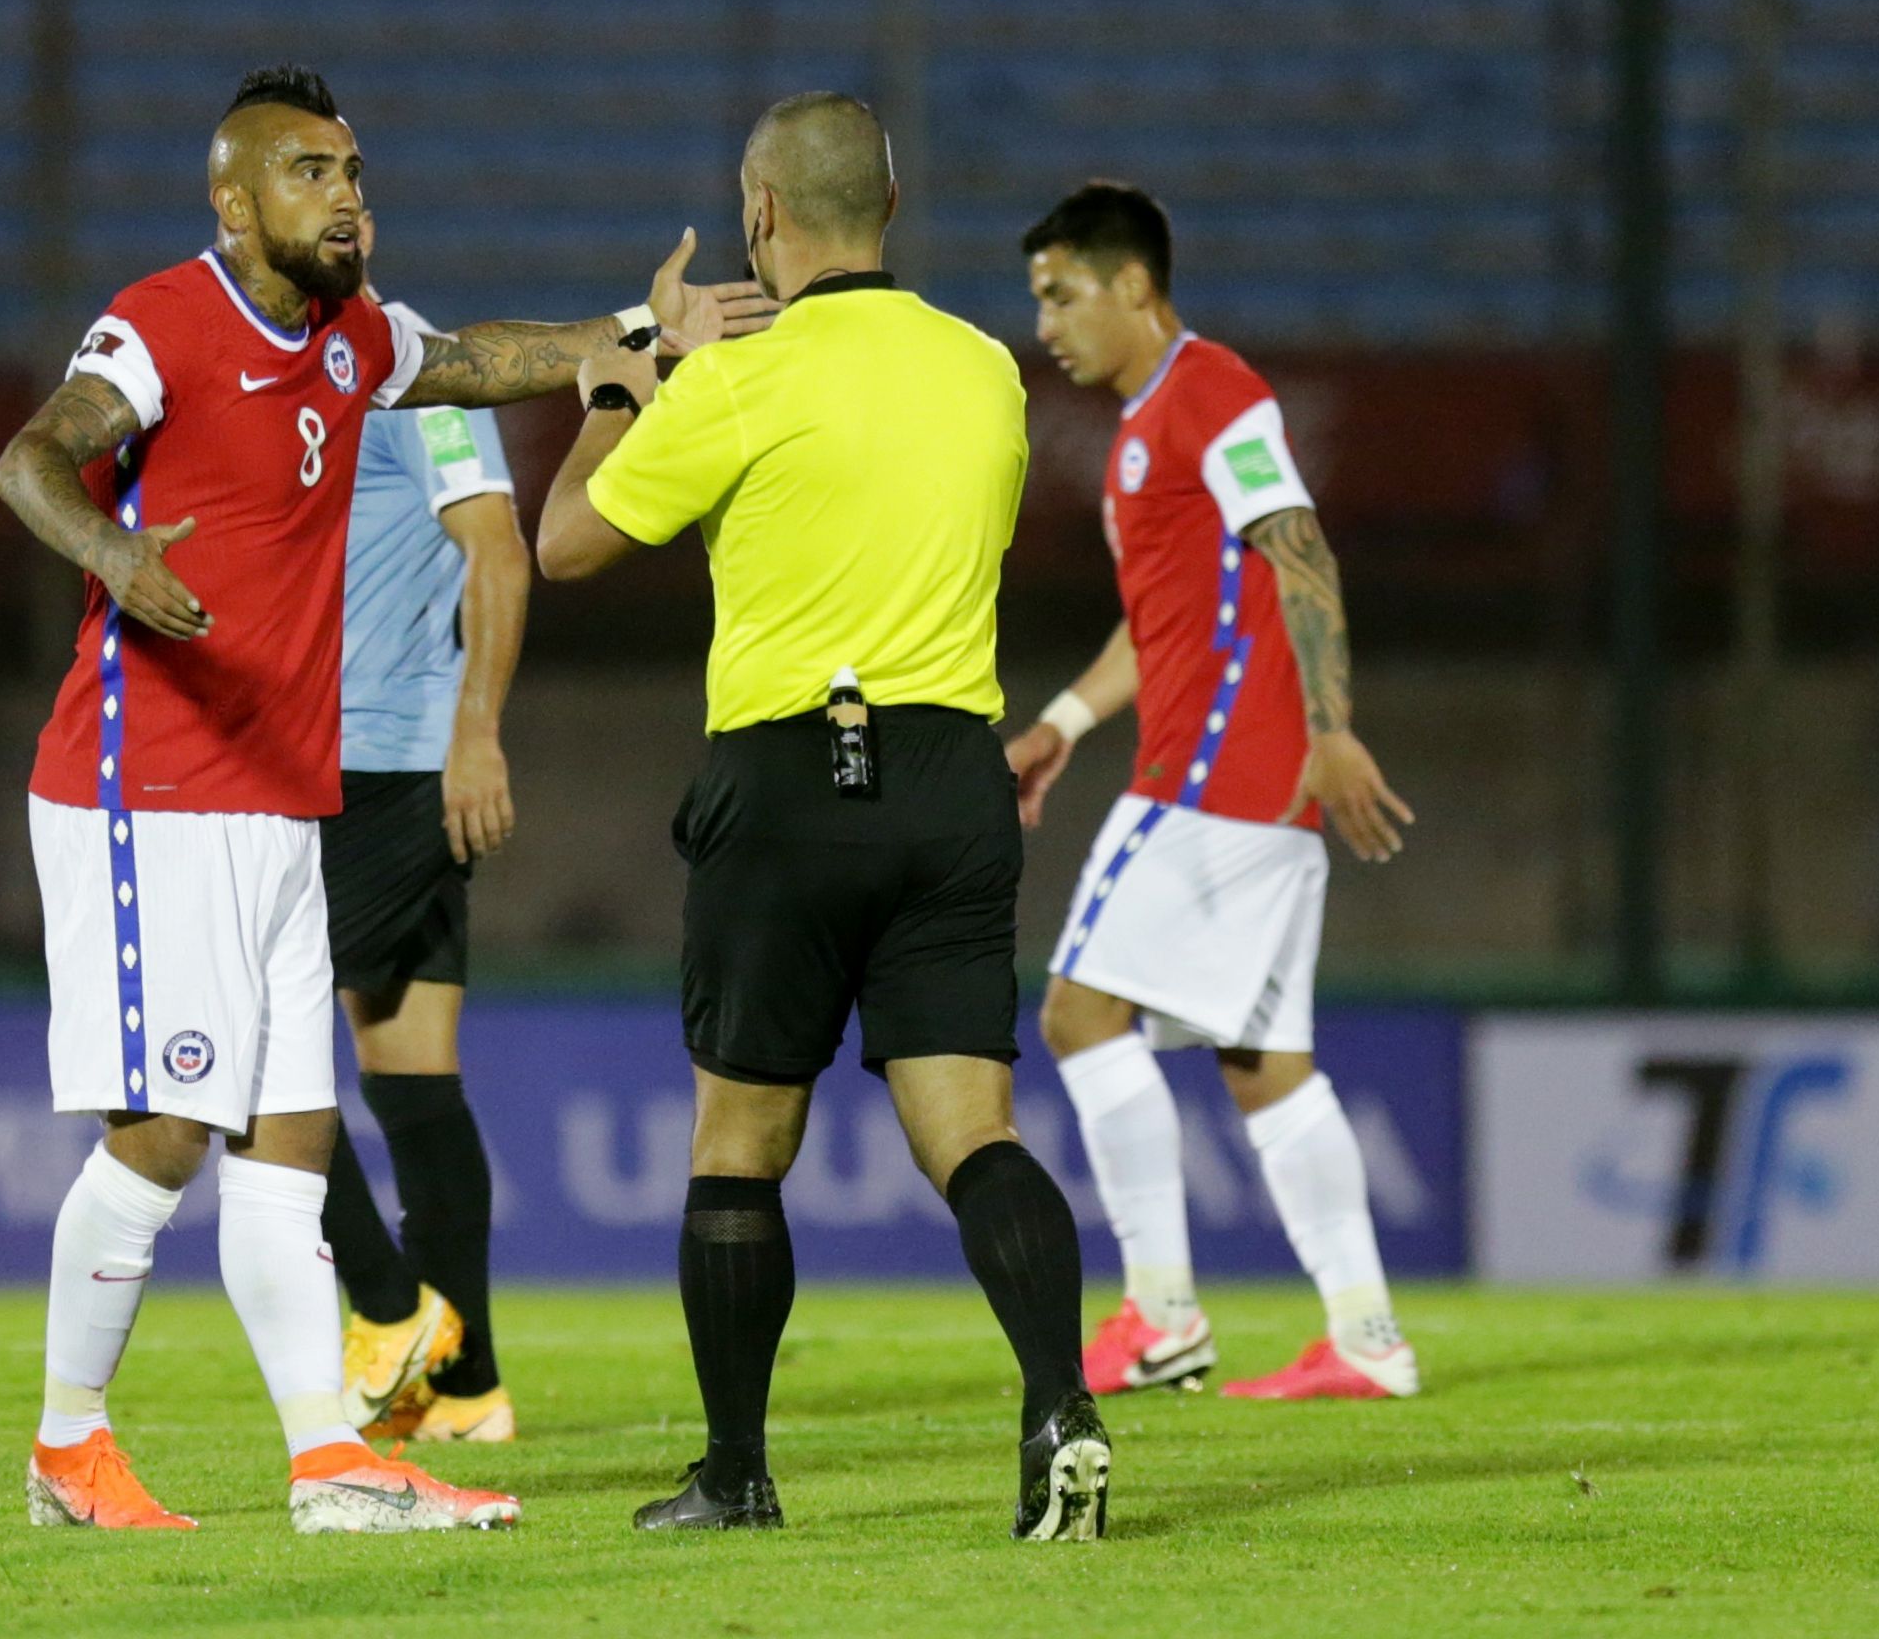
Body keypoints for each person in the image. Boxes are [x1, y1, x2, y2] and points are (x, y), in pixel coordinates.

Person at [0, 61, 774, 1535]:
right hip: (146, 785)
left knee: (288, 1140)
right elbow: (30, 457)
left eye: (349, 170)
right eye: (305, 172)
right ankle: (67, 1448)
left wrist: (630, 326)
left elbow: (478, 359)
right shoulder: (163, 322)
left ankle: (329, 1465)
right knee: (164, 1135)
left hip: (279, 797)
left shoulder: (351, 342)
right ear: (231, 203)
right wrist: (112, 557)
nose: (342, 194)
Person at [537, 92, 1109, 1542]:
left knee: (737, 1145)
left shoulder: (739, 378)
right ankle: (1060, 1410)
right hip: (949, 778)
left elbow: (566, 542)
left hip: (790, 776)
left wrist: (629, 374)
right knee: (972, 1132)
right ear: (894, 211)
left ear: (761, 216)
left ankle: (736, 1475)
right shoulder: (986, 369)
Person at [1007, 181, 1421, 1402]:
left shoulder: (1214, 395)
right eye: (1038, 299)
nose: (1048, 324)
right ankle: (1363, 1333)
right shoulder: (1146, 426)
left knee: (1080, 1016)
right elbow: (1162, 627)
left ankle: (1160, 1311)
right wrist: (1061, 723)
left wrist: (1333, 727)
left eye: (1063, 293)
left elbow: (1300, 544)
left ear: (1134, 285)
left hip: (1212, 780)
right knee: (1263, 1060)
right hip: (1237, 785)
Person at [316, 210, 527, 1446]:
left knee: (244, 1043)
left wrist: (477, 733)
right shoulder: (309, 390)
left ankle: (391, 1313)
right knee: (412, 1080)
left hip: (387, 769)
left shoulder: (415, 382)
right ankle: (467, 1388)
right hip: (362, 762)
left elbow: (498, 552)